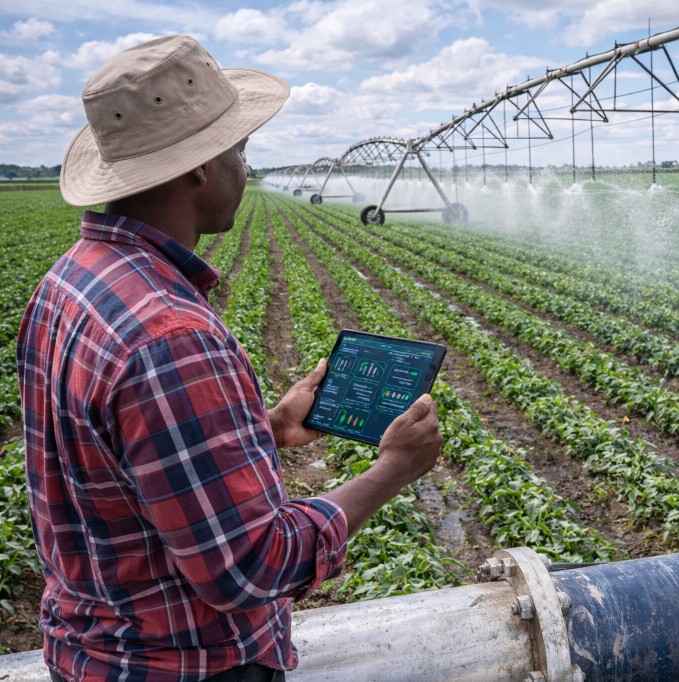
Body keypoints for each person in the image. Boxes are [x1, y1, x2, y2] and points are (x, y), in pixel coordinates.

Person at [16, 35, 442, 682]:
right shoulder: (171, 336)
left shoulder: (66, 284)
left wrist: (266, 430)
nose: (247, 169)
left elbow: (130, 467)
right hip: (180, 665)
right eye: (241, 152)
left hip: (89, 650)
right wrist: (392, 471)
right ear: (199, 170)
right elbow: (251, 565)